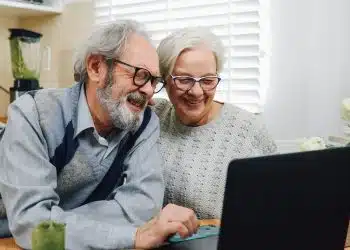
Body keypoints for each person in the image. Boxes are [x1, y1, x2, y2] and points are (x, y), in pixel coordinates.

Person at [0, 20, 198, 249]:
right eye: (140, 75)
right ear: (96, 67)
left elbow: (143, 207)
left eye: (154, 81)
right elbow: (32, 227)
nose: (148, 90)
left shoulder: (143, 122)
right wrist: (130, 237)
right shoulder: (32, 113)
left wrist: (54, 220)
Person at [153, 27, 278, 220]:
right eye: (184, 80)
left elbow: (276, 204)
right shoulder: (153, 117)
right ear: (164, 80)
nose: (196, 91)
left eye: (207, 80)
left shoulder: (247, 130)